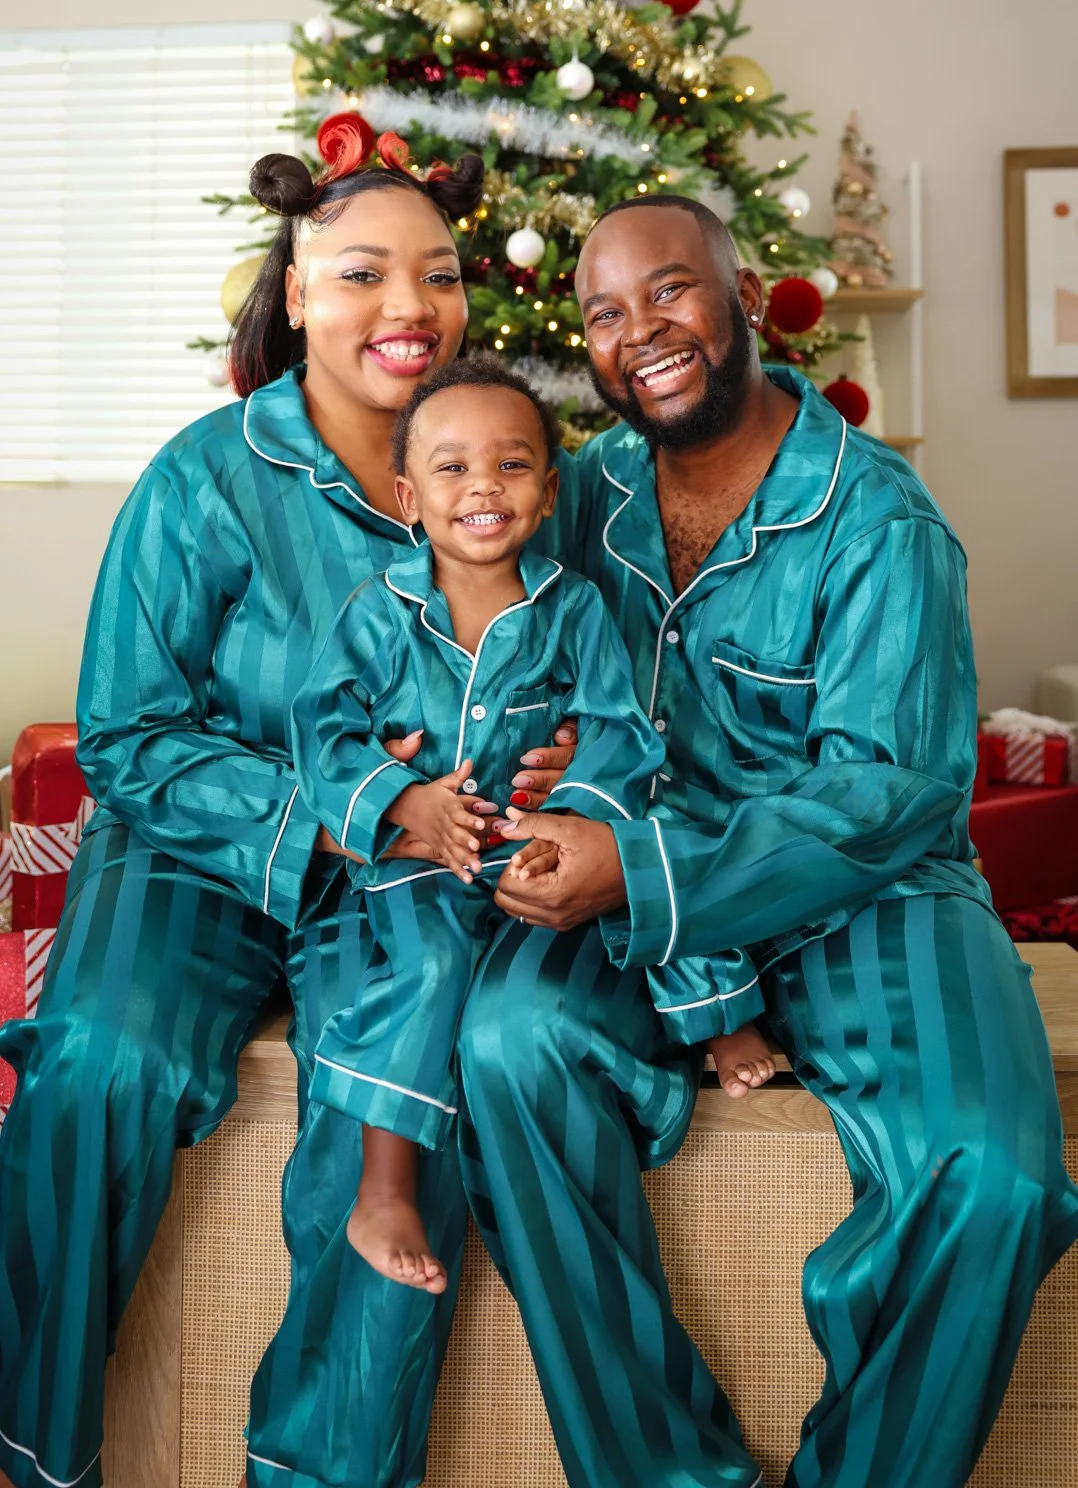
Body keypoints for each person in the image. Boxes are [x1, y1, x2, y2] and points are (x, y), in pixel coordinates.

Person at [456, 195, 1078, 1488]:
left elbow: (888, 796)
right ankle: (662, 1471)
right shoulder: (579, 497)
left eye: (670, 292)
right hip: (644, 895)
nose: (641, 334)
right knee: (509, 1044)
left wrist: (640, 867)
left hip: (873, 898)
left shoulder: (878, 523)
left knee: (996, 1178)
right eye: (605, 315)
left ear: (744, 297)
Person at [0, 119, 570, 1488]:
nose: (409, 308)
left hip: (409, 878)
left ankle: (322, 1472)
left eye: (437, 275)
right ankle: (31, 1448)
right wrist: (350, 809)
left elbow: (561, 669)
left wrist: (541, 772)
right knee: (99, 1065)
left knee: (394, 1109)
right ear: (296, 288)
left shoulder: (510, 474)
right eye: (364, 274)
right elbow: (131, 733)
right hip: (195, 852)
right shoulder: (203, 476)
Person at [290, 357, 773, 1294]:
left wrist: (574, 816)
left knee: (642, 873)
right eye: (452, 468)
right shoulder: (377, 613)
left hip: (536, 836)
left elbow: (617, 730)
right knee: (427, 969)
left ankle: (722, 1024)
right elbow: (322, 734)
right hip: (424, 858)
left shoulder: (572, 608)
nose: (483, 487)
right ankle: (383, 1187)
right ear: (408, 495)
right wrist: (402, 803)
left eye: (512, 467)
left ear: (549, 493)